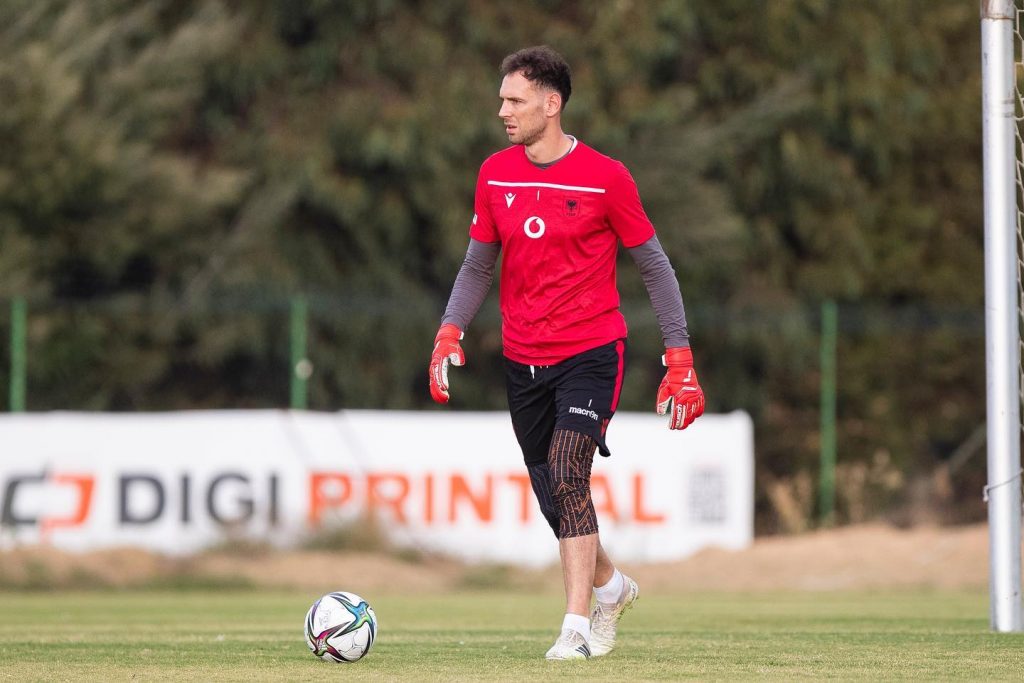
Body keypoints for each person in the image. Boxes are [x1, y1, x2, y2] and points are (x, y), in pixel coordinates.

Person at [428, 45, 705, 661]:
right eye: (502, 99)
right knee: (557, 496)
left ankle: (575, 627)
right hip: (522, 358)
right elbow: (477, 264)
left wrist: (679, 356)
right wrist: (450, 329)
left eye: (515, 100)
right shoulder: (494, 173)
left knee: (568, 470)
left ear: (551, 104)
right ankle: (612, 587)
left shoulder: (607, 177)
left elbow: (655, 267)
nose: (503, 111)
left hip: (591, 351)